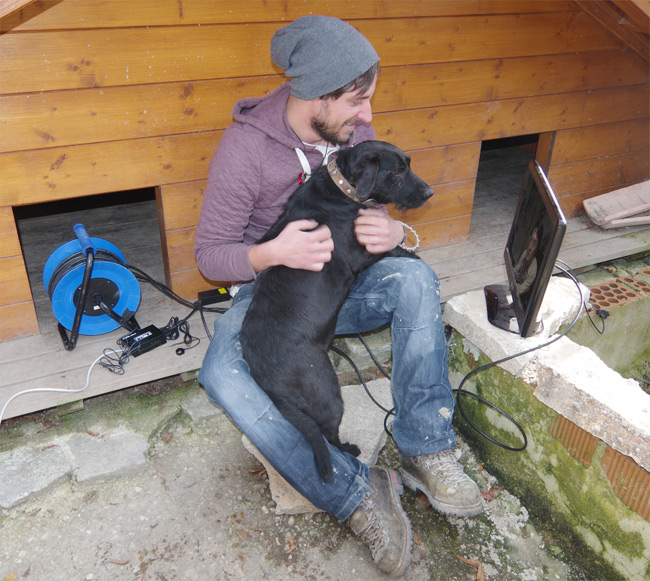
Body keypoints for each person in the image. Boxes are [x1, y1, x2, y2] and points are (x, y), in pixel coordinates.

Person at [194, 15, 482, 577]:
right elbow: (210, 256)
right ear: (316, 95)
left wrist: (400, 233)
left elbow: (383, 208)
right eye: (357, 100)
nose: (367, 115)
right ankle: (356, 495)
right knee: (221, 375)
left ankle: (426, 446)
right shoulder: (245, 150)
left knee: (415, 279)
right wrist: (271, 253)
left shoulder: (350, 137)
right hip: (273, 300)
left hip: (344, 286)